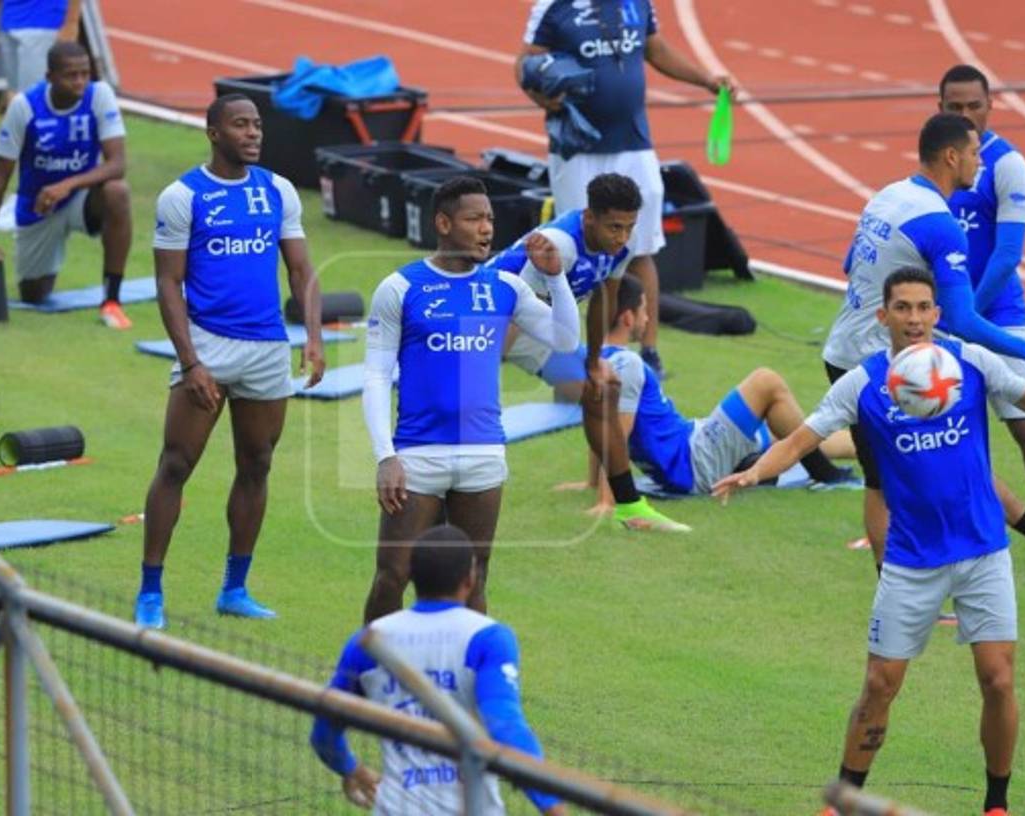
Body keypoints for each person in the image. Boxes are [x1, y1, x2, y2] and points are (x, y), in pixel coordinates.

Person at [715, 268, 1025, 816]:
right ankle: (843, 799)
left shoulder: (970, 362)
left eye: (924, 307)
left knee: (998, 680)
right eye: (902, 308)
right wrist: (754, 473)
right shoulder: (862, 383)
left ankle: (996, 804)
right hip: (911, 562)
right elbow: (804, 436)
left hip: (982, 553)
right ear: (883, 317)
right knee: (880, 686)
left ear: (937, 313)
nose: (915, 318)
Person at [821, 112, 1025, 566]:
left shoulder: (888, 194)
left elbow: (848, 264)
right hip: (886, 366)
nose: (980, 163)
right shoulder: (940, 223)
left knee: (914, 468)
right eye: (975, 154)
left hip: (846, 351)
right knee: (931, 466)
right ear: (952, 157)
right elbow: (962, 320)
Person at [133, 94, 326, 629]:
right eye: (241, 125)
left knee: (257, 464)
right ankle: (151, 591)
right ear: (213, 132)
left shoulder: (277, 191)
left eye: (257, 125)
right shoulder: (182, 197)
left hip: (267, 349)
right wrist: (191, 362)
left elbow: (302, 269)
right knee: (176, 464)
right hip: (209, 346)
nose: (253, 133)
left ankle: (234, 589)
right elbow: (168, 284)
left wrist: (313, 336)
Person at [361, 176, 580, 623]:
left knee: (473, 576)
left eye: (490, 220)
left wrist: (556, 280)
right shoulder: (401, 288)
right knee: (393, 575)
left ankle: (466, 683)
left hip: (483, 453)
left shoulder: (505, 288)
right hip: (418, 455)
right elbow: (377, 375)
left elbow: (564, 338)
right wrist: (386, 456)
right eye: (474, 218)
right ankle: (366, 682)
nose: (486, 229)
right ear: (443, 223)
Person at [517, 0, 735, 377]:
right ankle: (553, 345)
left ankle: (648, 350)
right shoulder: (554, 7)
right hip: (578, 148)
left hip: (635, 146)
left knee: (641, 249)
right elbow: (524, 64)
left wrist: (706, 79)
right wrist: (543, 98)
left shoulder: (639, 4)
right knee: (574, 250)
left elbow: (655, 48)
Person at [311, 525, 566, 815]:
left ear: (414, 577)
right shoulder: (488, 638)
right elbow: (505, 727)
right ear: (469, 580)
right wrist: (552, 806)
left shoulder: (368, 642)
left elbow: (324, 731)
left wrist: (350, 768)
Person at [487, 172, 690, 532]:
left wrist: (594, 361)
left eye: (629, 227)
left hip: (537, 323)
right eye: (614, 227)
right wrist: (480, 377)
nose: (622, 237)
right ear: (589, 216)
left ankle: (628, 506)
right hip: (488, 321)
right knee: (462, 412)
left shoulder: (622, 247)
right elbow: (509, 306)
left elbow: (604, 297)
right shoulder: (558, 245)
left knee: (602, 389)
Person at [939, 64, 1025, 556]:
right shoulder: (939, 159)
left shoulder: (1007, 165)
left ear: (991, 105)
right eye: (956, 107)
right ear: (940, 108)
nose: (966, 115)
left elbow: (1008, 254)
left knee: (1022, 420)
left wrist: (965, 308)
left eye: (974, 105)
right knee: (940, 422)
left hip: (995, 312)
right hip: (946, 316)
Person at [594, 275, 855, 503]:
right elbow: (615, 434)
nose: (648, 317)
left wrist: (591, 482)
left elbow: (597, 425)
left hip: (692, 446)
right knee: (766, 382)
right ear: (628, 318)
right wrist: (608, 499)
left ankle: (874, 446)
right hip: (695, 460)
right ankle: (826, 474)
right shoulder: (627, 364)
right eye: (643, 310)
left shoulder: (598, 361)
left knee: (787, 434)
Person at [0, 41, 134, 329]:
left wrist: (67, 185)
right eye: (71, 75)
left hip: (81, 198)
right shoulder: (25, 107)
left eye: (85, 73)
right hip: (37, 206)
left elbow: (117, 164)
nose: (80, 81)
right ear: (50, 77)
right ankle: (48, 257)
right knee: (34, 294)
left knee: (117, 191)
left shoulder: (99, 95)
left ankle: (111, 301)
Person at [0, 0, 82, 95]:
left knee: (35, 94)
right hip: (9, 23)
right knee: (15, 93)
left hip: (44, 24)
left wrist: (71, 22)